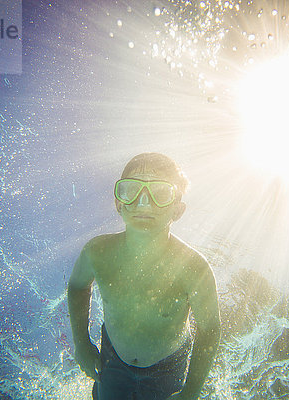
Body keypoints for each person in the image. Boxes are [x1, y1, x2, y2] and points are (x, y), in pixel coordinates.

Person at [67, 153, 221, 400]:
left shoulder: (194, 268)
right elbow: (77, 286)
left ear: (177, 210)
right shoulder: (97, 252)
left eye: (160, 194)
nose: (144, 203)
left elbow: (210, 330)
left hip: (168, 368)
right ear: (119, 203)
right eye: (131, 190)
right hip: (112, 358)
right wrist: (82, 344)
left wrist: (191, 391)